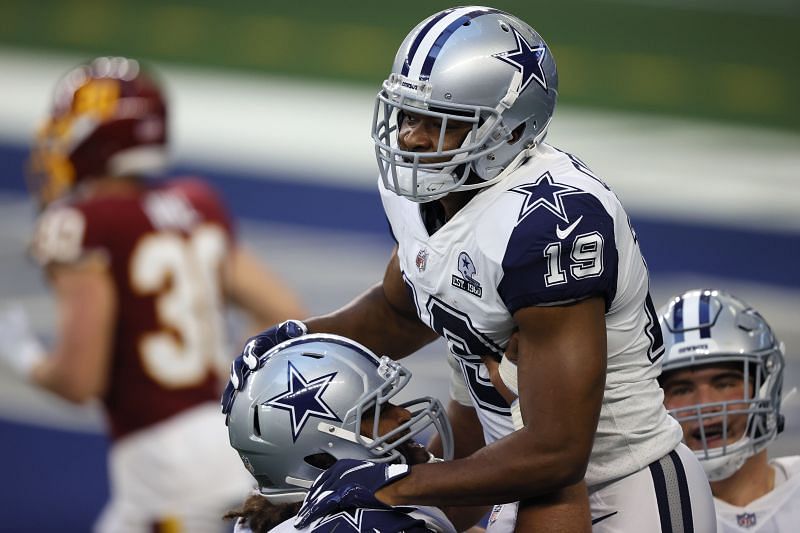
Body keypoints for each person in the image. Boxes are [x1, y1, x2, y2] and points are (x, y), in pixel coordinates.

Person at [224, 6, 716, 531]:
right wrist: (297, 340)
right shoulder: (425, 191)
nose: (411, 138)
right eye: (409, 114)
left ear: (507, 131)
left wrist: (395, 485)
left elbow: (559, 452)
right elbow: (403, 308)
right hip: (505, 478)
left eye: (440, 123)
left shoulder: (551, 223)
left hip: (619, 486)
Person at [0, 56, 306, 533]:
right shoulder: (195, 203)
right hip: (235, 443)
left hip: (165, 470)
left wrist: (23, 357)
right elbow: (285, 314)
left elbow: (79, 378)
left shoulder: (81, 224)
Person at [223, 332, 474, 532]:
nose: (403, 415)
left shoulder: (271, 519)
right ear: (321, 453)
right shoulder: (366, 524)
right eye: (376, 410)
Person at [659, 288, 799, 532]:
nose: (704, 404)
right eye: (681, 389)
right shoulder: (642, 513)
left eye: (724, 383)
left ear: (764, 386)